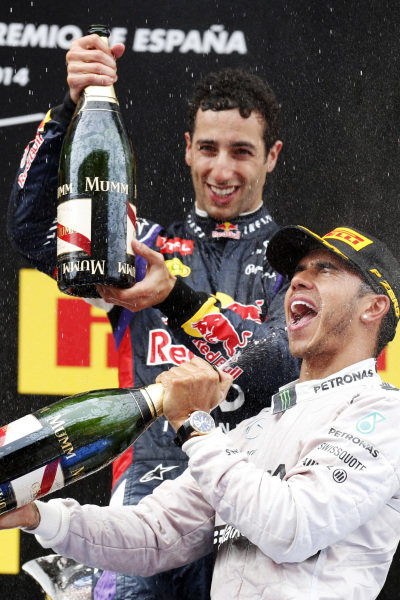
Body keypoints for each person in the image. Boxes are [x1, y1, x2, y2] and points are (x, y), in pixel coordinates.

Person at [7, 32, 300, 600]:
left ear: (272, 155)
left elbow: (278, 369)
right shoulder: (141, 246)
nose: (222, 168)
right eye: (209, 148)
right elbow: (33, 233)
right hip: (151, 494)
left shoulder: (300, 264)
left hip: (257, 493)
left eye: (241, 151)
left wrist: (174, 295)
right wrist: (70, 109)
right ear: (188, 148)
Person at [2, 223, 400, 600]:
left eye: (325, 269)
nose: (298, 278)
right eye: (298, 269)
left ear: (373, 307)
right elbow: (154, 536)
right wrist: (38, 515)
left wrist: (193, 423)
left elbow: (290, 527)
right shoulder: (255, 430)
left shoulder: (384, 413)